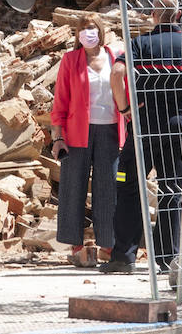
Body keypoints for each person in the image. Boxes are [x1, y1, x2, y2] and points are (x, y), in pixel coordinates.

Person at [108, 0, 182, 272]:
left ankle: (123, 257)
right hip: (178, 130)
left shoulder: (139, 44)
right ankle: (167, 260)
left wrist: (125, 108)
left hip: (144, 127)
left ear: (153, 14)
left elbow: (116, 75)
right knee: (172, 191)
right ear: (178, 16)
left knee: (128, 187)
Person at [50, 19, 129, 268]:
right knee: (73, 188)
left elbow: (126, 90)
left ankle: (107, 244)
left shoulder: (115, 56)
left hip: (110, 131)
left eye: (92, 29)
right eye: (83, 30)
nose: (88, 34)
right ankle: (75, 245)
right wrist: (57, 136)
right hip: (75, 134)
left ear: (101, 32)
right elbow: (60, 100)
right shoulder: (70, 60)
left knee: (109, 188)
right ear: (78, 35)